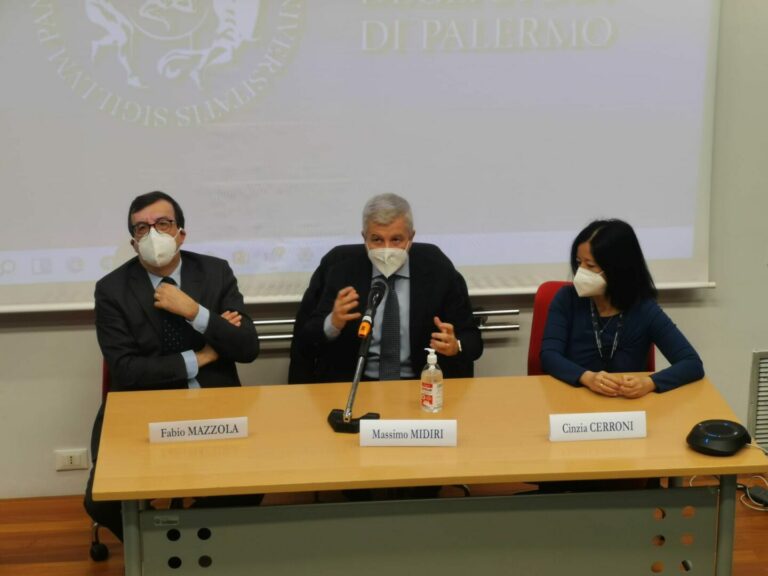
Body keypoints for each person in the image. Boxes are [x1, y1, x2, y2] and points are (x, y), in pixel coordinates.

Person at [84, 191, 260, 541]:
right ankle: (163, 548)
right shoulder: (111, 289)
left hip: (213, 405)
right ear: (133, 242)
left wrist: (195, 311)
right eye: (142, 228)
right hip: (142, 408)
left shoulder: (214, 272)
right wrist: (203, 356)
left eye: (162, 224)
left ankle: (182, 543)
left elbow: (247, 347)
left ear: (181, 232)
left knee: (248, 485)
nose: (153, 234)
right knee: (102, 502)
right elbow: (127, 371)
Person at [289, 192, 483, 384]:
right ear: (364, 237)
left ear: (411, 237)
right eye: (377, 240)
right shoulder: (341, 271)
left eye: (396, 239)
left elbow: (473, 340)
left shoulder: (438, 271)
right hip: (355, 386)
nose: (387, 248)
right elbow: (304, 341)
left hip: (420, 386)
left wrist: (455, 345)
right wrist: (332, 323)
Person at [541, 218, 704, 397]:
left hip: (626, 408)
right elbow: (549, 356)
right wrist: (587, 378)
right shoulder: (566, 299)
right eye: (579, 262)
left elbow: (691, 363)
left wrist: (650, 382)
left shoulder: (644, 309)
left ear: (617, 270)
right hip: (573, 402)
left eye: (590, 265)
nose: (580, 271)